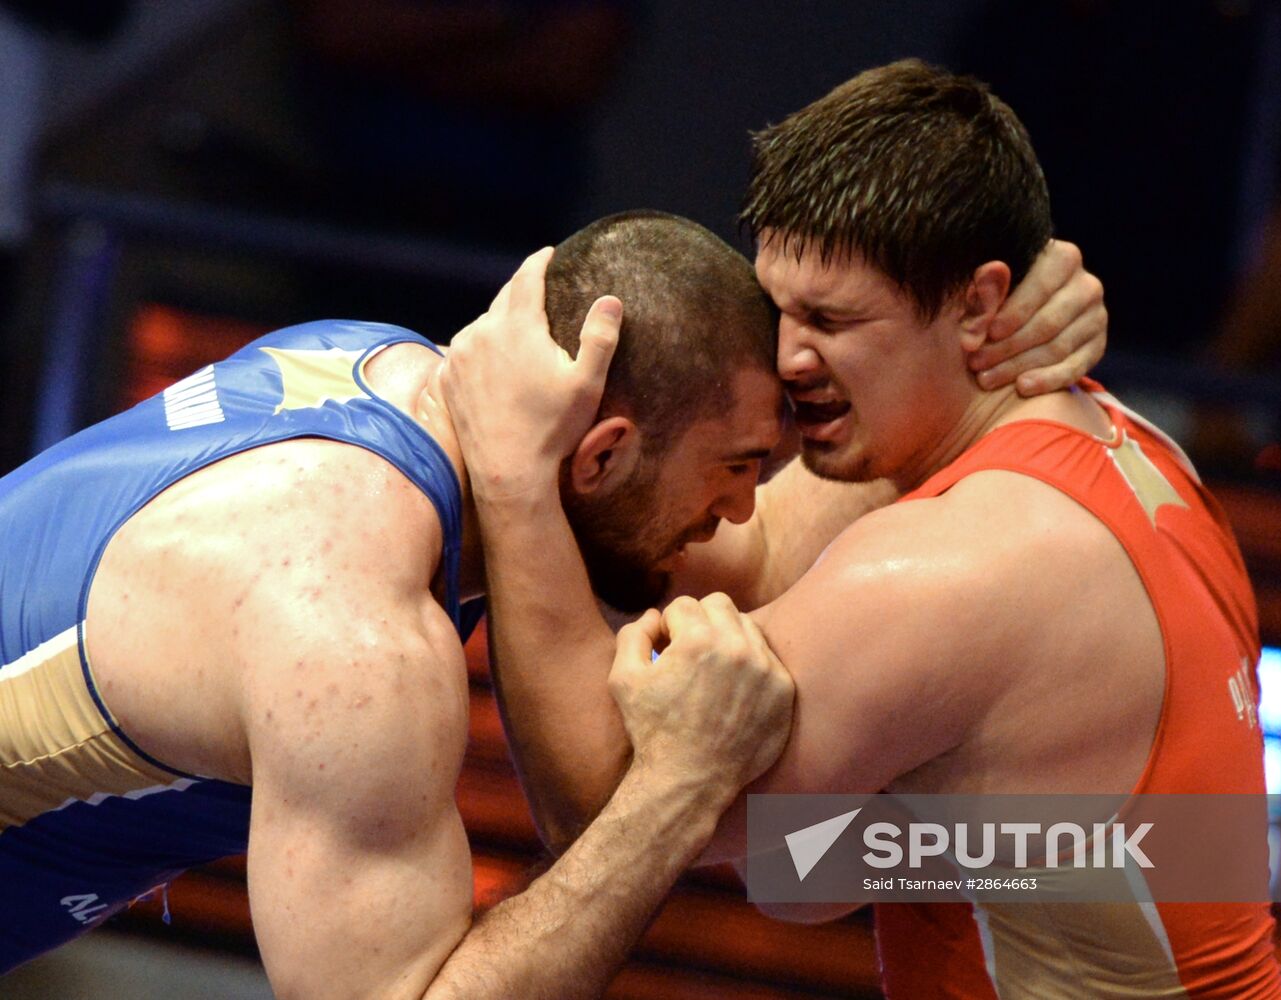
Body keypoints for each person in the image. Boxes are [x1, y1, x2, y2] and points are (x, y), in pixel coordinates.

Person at [0, 207, 1101, 996]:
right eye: (734, 470)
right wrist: (677, 786)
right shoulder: (348, 636)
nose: (736, 514)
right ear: (603, 452)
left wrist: (982, 343)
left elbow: (765, 546)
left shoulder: (380, 371)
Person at [440, 62, 1281, 997]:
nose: (787, 358)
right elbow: (810, 871)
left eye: (831, 320)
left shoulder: (946, 571)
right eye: (780, 307)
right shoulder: (1129, 444)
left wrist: (516, 479)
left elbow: (605, 813)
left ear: (977, 305)